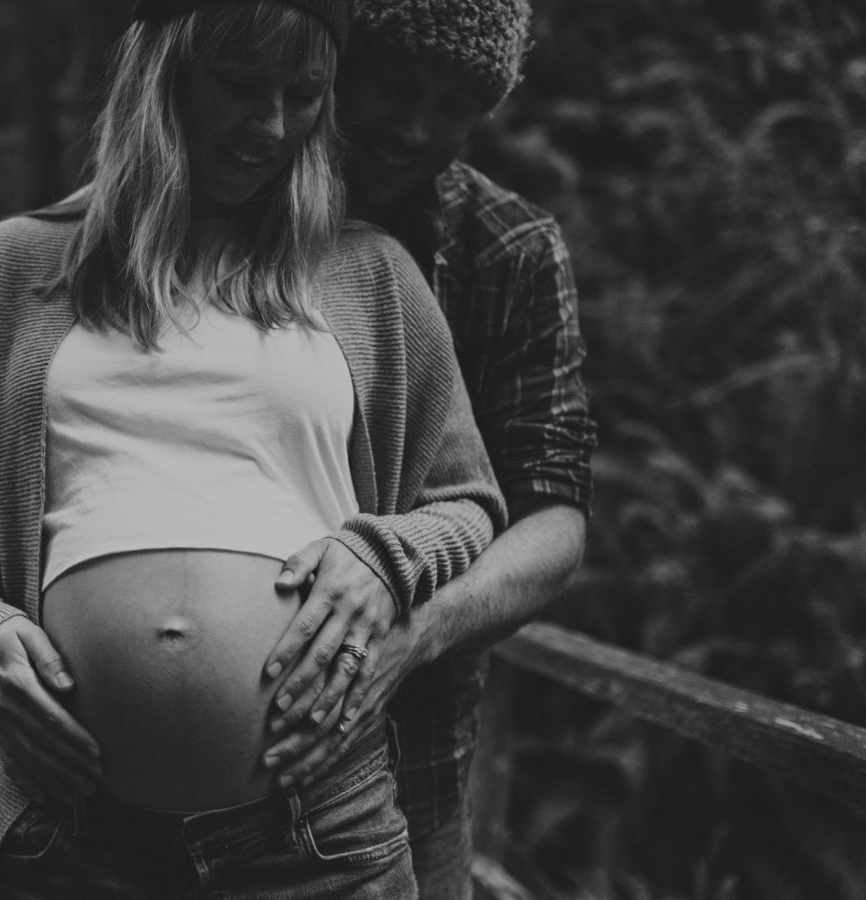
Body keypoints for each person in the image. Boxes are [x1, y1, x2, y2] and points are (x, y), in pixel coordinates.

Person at [0, 0, 509, 897]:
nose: (270, 126)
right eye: (238, 84)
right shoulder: (8, 268)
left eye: (302, 94)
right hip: (70, 836)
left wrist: (384, 557)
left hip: (318, 838)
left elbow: (468, 502)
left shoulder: (370, 276)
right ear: (160, 72)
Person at [257, 1, 597, 897]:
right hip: (173, 797)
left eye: (453, 106)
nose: (412, 129)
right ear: (337, 59)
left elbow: (552, 518)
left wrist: (415, 629)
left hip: (413, 778)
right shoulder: (224, 197)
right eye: (394, 85)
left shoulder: (508, 251)